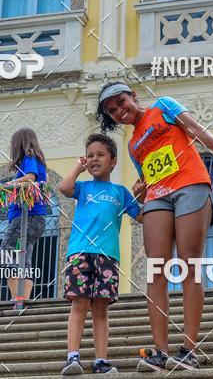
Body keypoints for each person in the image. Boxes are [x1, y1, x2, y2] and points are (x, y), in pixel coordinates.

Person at [97, 81, 213, 372]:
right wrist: (140, 187)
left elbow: (195, 128)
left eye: (121, 102)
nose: (119, 112)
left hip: (190, 185)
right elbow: (150, 172)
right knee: (156, 270)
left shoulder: (164, 106)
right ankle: (160, 352)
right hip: (158, 196)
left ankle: (188, 349)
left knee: (189, 265)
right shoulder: (132, 144)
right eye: (112, 111)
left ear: (133, 96)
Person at [58, 132, 145, 375]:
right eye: (89, 156)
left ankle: (100, 360)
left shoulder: (120, 192)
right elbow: (64, 187)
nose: (94, 159)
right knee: (79, 304)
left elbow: (140, 215)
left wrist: (141, 195)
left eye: (100, 155)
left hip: (108, 256)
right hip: (80, 252)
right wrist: (78, 167)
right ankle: (72, 357)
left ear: (113, 161)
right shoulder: (83, 187)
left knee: (101, 309)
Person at [0, 127, 48, 305]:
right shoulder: (38, 161)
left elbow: (30, 178)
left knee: (6, 252)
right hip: (32, 217)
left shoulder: (29, 157)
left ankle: (17, 297)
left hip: (27, 216)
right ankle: (23, 300)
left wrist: (9, 184)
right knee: (23, 258)